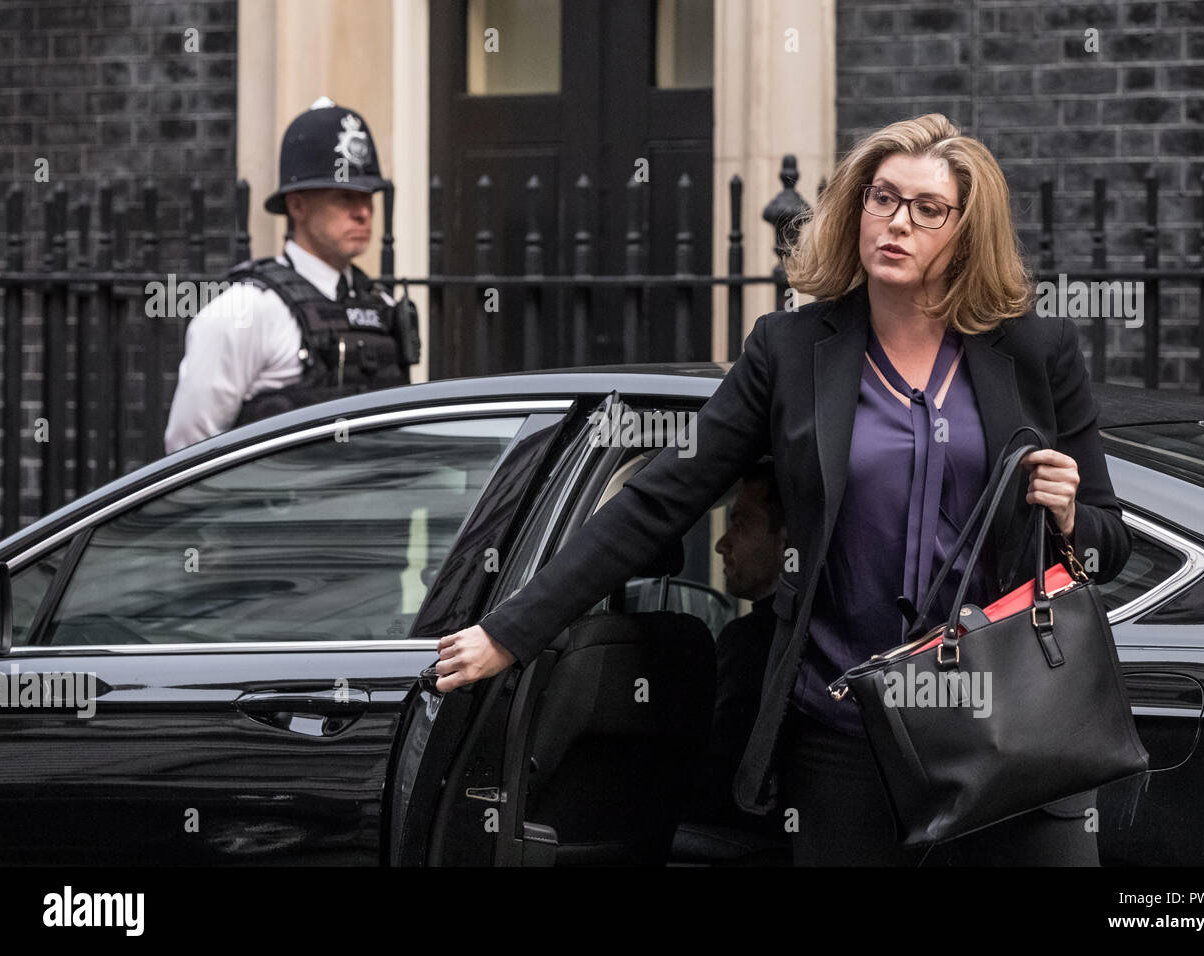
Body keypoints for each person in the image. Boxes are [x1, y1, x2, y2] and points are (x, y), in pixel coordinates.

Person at [431, 114, 1132, 866]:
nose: (897, 222)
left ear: (966, 231)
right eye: (882, 197)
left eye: (927, 209)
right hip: (847, 735)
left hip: (1010, 729)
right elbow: (662, 497)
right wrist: (510, 631)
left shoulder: (1032, 350)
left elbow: (1108, 540)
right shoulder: (791, 352)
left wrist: (1067, 514)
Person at [164, 97, 419, 454]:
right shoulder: (245, 312)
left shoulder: (383, 307)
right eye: (344, 197)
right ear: (297, 205)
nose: (364, 212)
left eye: (369, 197)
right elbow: (189, 451)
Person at [693, 458, 786, 834]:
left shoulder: (751, 641)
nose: (720, 543)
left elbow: (721, 772)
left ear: (786, 541)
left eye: (740, 522)